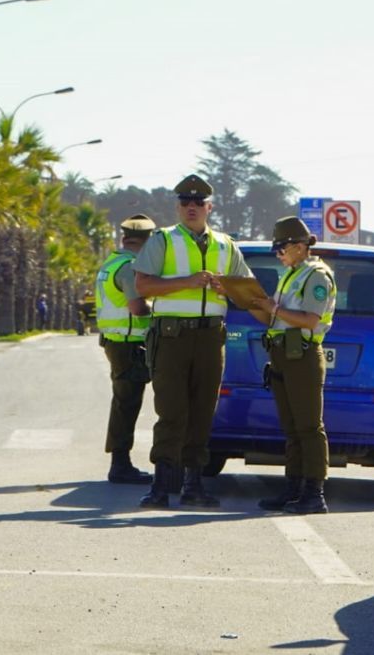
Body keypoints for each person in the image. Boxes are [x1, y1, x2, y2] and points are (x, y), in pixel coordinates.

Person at [133, 174, 252, 509]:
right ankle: (160, 486)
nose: (191, 208)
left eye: (198, 203)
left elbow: (248, 292)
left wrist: (225, 288)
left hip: (211, 336)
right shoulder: (164, 240)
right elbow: (143, 286)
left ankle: (194, 485)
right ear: (178, 206)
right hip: (172, 336)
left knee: (203, 412)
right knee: (171, 411)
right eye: (185, 202)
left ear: (209, 207)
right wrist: (186, 281)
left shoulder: (226, 245)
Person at [248, 217, 337, 514]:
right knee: (292, 428)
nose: (278, 254)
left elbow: (310, 320)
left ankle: (315, 492)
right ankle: (294, 487)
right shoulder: (293, 274)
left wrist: (275, 309)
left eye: (282, 248)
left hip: (302, 356)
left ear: (300, 247)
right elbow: (279, 317)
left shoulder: (316, 277)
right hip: (283, 355)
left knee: (309, 427)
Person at [95, 214, 159, 485]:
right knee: (127, 403)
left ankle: (120, 461)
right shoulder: (131, 267)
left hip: (116, 341)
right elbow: (137, 308)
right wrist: (160, 313)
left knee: (123, 401)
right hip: (130, 343)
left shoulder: (111, 263)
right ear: (146, 243)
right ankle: (120, 464)